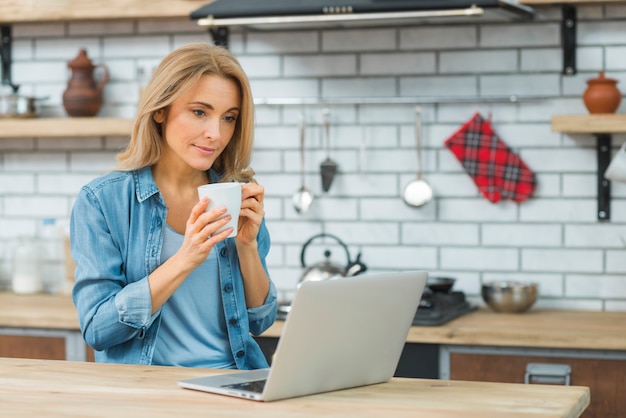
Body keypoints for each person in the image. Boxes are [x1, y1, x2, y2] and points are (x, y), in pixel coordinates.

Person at [70, 43, 277, 370]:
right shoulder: (103, 201)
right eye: (200, 112)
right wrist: (184, 259)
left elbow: (261, 321)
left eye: (229, 118)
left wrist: (248, 247)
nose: (215, 134)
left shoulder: (236, 194)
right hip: (148, 391)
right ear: (160, 110)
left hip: (235, 384)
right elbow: (98, 328)